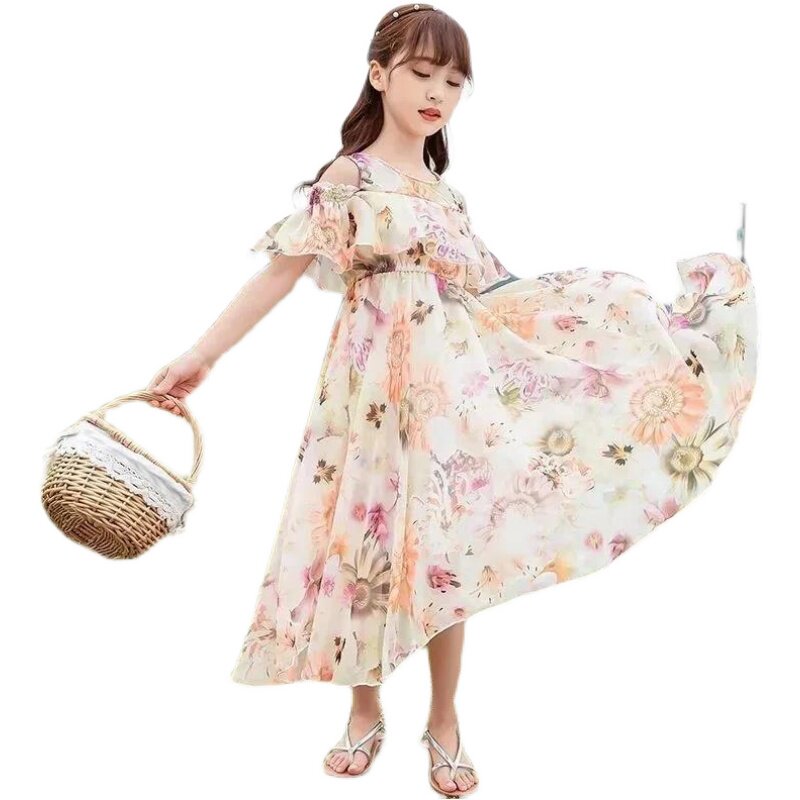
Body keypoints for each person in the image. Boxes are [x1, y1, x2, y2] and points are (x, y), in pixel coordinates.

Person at [146, 4, 758, 797]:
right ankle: (364, 708)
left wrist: (609, 319)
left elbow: (497, 295)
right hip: (368, 387)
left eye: (455, 80)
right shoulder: (350, 179)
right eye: (422, 73)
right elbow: (279, 275)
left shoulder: (446, 196)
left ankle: (444, 718)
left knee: (446, 544)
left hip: (448, 389)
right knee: (366, 533)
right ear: (379, 75)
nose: (438, 92)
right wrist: (200, 356)